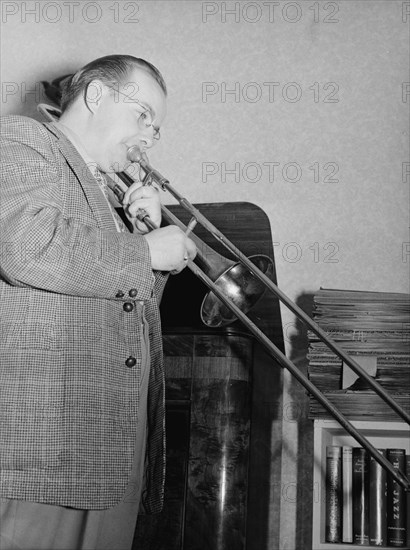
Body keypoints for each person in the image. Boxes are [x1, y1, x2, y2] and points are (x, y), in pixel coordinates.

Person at [0, 54, 196, 550]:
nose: (149, 137)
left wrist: (142, 237)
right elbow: (24, 246)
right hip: (45, 439)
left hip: (107, 439)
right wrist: (146, 250)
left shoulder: (108, 192)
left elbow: (128, 308)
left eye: (158, 129)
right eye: (144, 116)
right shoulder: (23, 141)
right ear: (96, 96)